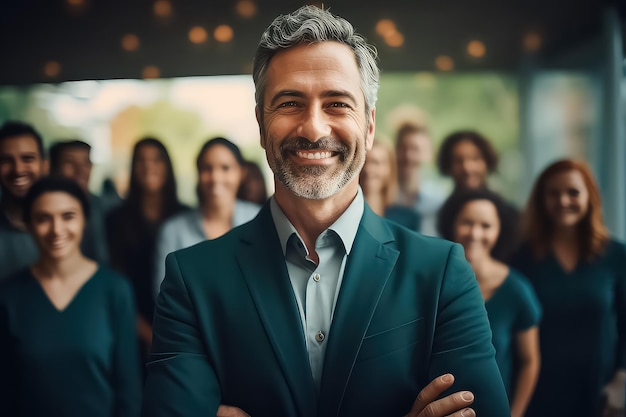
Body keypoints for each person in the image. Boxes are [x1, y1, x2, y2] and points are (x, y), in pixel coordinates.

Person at [142, 6, 509, 417]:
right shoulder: (192, 280)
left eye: (336, 103)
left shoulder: (442, 273)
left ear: (369, 126)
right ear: (262, 127)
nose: (314, 128)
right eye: (290, 103)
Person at [0, 176, 141, 417]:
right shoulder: (8, 296)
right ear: (28, 224)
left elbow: (129, 390)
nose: (56, 230)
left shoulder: (115, 290)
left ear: (85, 220)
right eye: (43, 218)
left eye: (68, 216)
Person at [511, 159, 626, 417]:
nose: (563, 201)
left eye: (573, 192)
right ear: (541, 200)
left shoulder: (617, 256)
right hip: (539, 392)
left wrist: (622, 379)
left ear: (590, 197)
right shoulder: (521, 259)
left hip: (601, 391)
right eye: (553, 193)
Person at [438, 189, 541, 417]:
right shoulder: (434, 280)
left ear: (499, 231)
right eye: (467, 222)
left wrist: (515, 413)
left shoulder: (517, 289)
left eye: (486, 225)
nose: (475, 233)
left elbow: (530, 361)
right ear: (451, 223)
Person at [106, 137, 188, 364]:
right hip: (130, 325)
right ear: (133, 168)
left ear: (167, 167)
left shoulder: (186, 217)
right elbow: (115, 280)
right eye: (141, 160)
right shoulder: (116, 220)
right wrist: (147, 334)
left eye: (156, 160)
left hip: (181, 331)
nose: (148, 166)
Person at [153, 137, 261, 295]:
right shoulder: (173, 231)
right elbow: (164, 296)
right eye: (207, 168)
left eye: (225, 168)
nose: (215, 178)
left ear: (242, 173)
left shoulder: (260, 219)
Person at [437, 130, 520, 262]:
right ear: (448, 166)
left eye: (475, 159)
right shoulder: (441, 213)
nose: (467, 168)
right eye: (458, 161)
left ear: (487, 162)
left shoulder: (508, 214)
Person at [0, 120, 47, 281]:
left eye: (27, 159)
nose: (18, 169)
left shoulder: (69, 224)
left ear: (44, 165)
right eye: (6, 160)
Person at [49, 139, 109, 264]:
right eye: (70, 163)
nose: (80, 170)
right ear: (53, 167)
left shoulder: (108, 209)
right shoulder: (43, 212)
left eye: (85, 163)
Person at [395, 122, 444, 236]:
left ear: (429, 154)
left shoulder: (438, 199)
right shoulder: (383, 194)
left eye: (416, 149)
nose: (408, 156)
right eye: (403, 148)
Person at [360, 139, 421, 230]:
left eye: (376, 162)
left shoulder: (407, 219)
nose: (368, 169)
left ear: (390, 169)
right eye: (363, 162)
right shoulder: (342, 216)